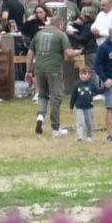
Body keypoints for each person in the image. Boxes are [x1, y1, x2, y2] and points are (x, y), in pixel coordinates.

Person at [30, 10, 74, 138]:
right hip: (54, 70)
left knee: (43, 95)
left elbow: (30, 53)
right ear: (60, 24)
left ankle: (40, 117)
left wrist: (28, 70)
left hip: (39, 69)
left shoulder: (39, 34)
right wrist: (79, 51)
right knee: (56, 97)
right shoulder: (61, 35)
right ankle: (55, 129)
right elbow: (69, 54)